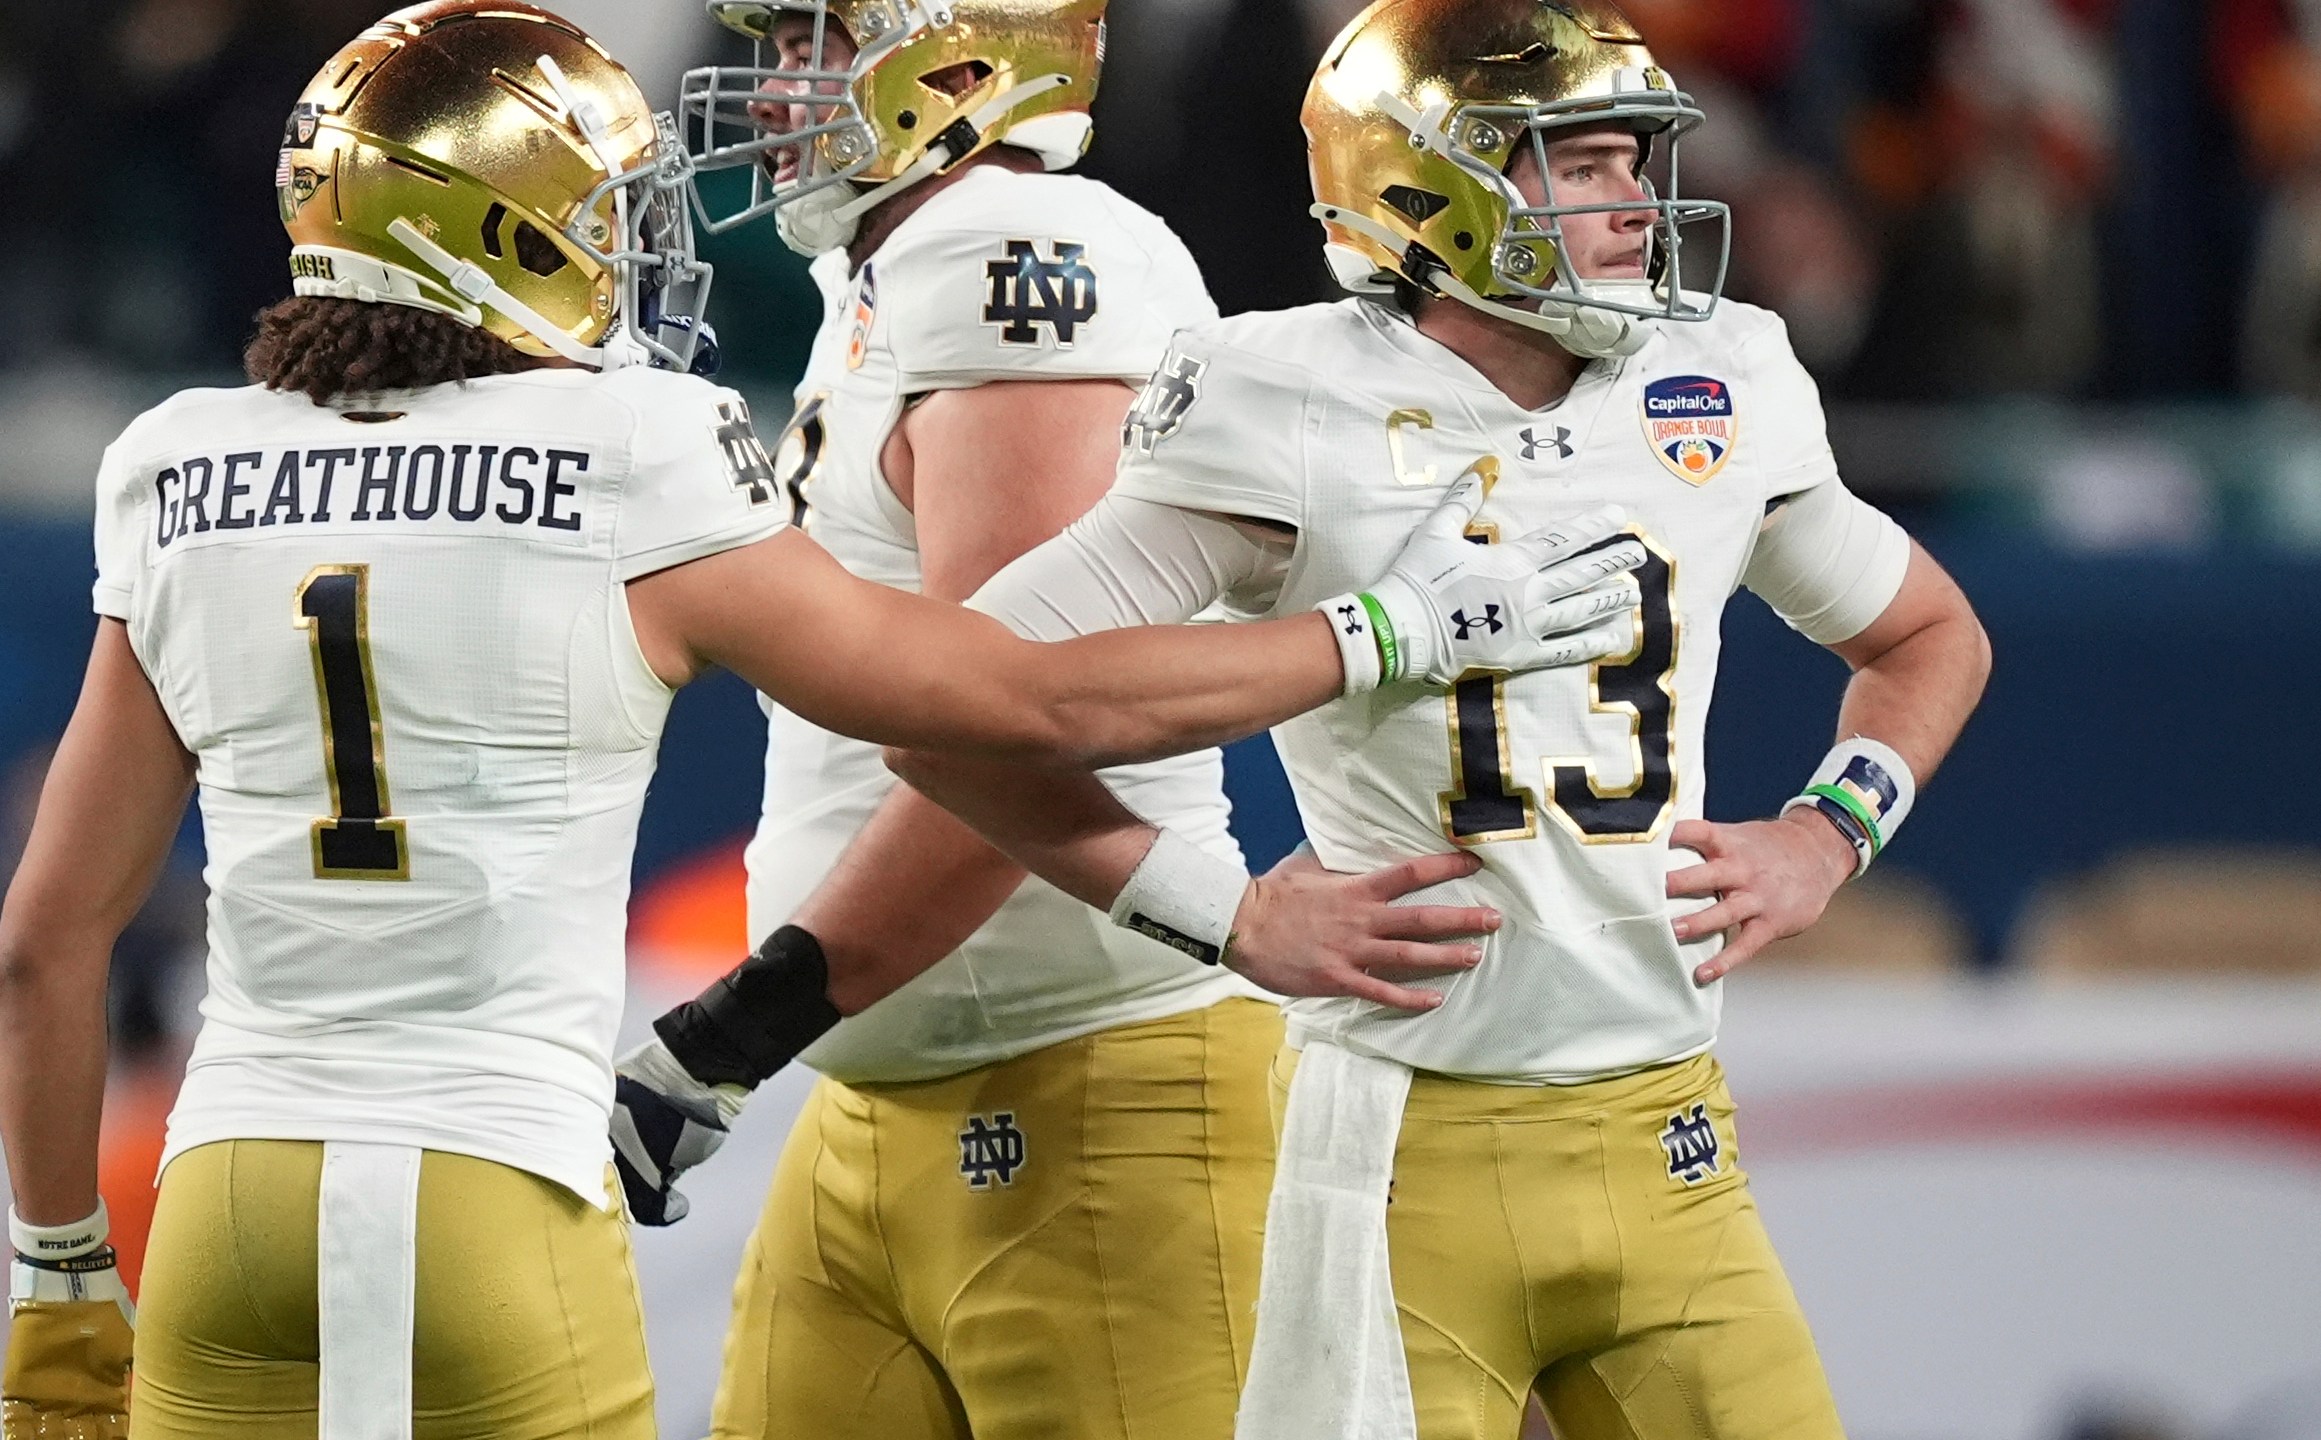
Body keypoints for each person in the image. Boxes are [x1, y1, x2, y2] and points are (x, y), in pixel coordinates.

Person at [0, 3, 1657, 1438]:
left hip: (261, 1185)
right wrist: (1390, 634)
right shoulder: (639, 436)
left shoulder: (170, 459)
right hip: (665, 1142)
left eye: (813, 41)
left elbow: (41, 940)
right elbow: (1009, 697)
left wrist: (56, 1265)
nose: (775, 87)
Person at [870, 2, 1994, 1438]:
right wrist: (1222, 914)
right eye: (1578, 164)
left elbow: (1926, 633)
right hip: (1403, 1140)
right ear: (1425, 187)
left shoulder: (1715, 375)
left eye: (1633, 162)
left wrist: (1828, 832)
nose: (1632, 203)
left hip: (1671, 1138)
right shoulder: (1284, 398)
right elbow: (951, 709)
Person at [607, 7, 1638, 1437]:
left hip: (1097, 1104)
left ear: (958, 62)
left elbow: (1016, 721)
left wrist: (730, 1031)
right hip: (878, 1117)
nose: (779, 86)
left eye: (817, 39)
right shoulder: (900, 265)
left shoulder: (1017, 255)